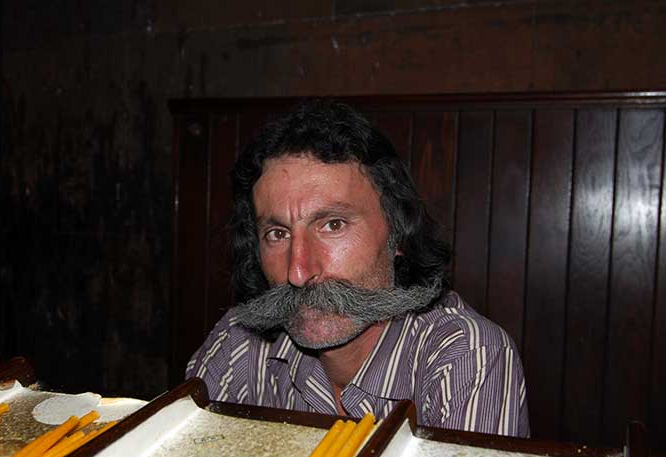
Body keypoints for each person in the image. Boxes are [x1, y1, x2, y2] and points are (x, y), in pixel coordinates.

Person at [185, 100, 529, 437]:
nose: (299, 272)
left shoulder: (468, 356)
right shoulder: (240, 340)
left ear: (398, 234)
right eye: (277, 234)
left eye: (333, 225)